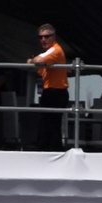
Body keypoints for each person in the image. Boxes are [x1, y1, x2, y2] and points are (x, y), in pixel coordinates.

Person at [28, 23, 68, 152]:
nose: (43, 40)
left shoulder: (55, 50)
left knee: (51, 126)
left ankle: (51, 152)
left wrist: (33, 60)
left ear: (54, 37)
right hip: (51, 91)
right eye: (41, 37)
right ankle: (47, 151)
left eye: (47, 36)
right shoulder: (49, 53)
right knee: (47, 125)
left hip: (56, 92)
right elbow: (40, 68)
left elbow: (38, 61)